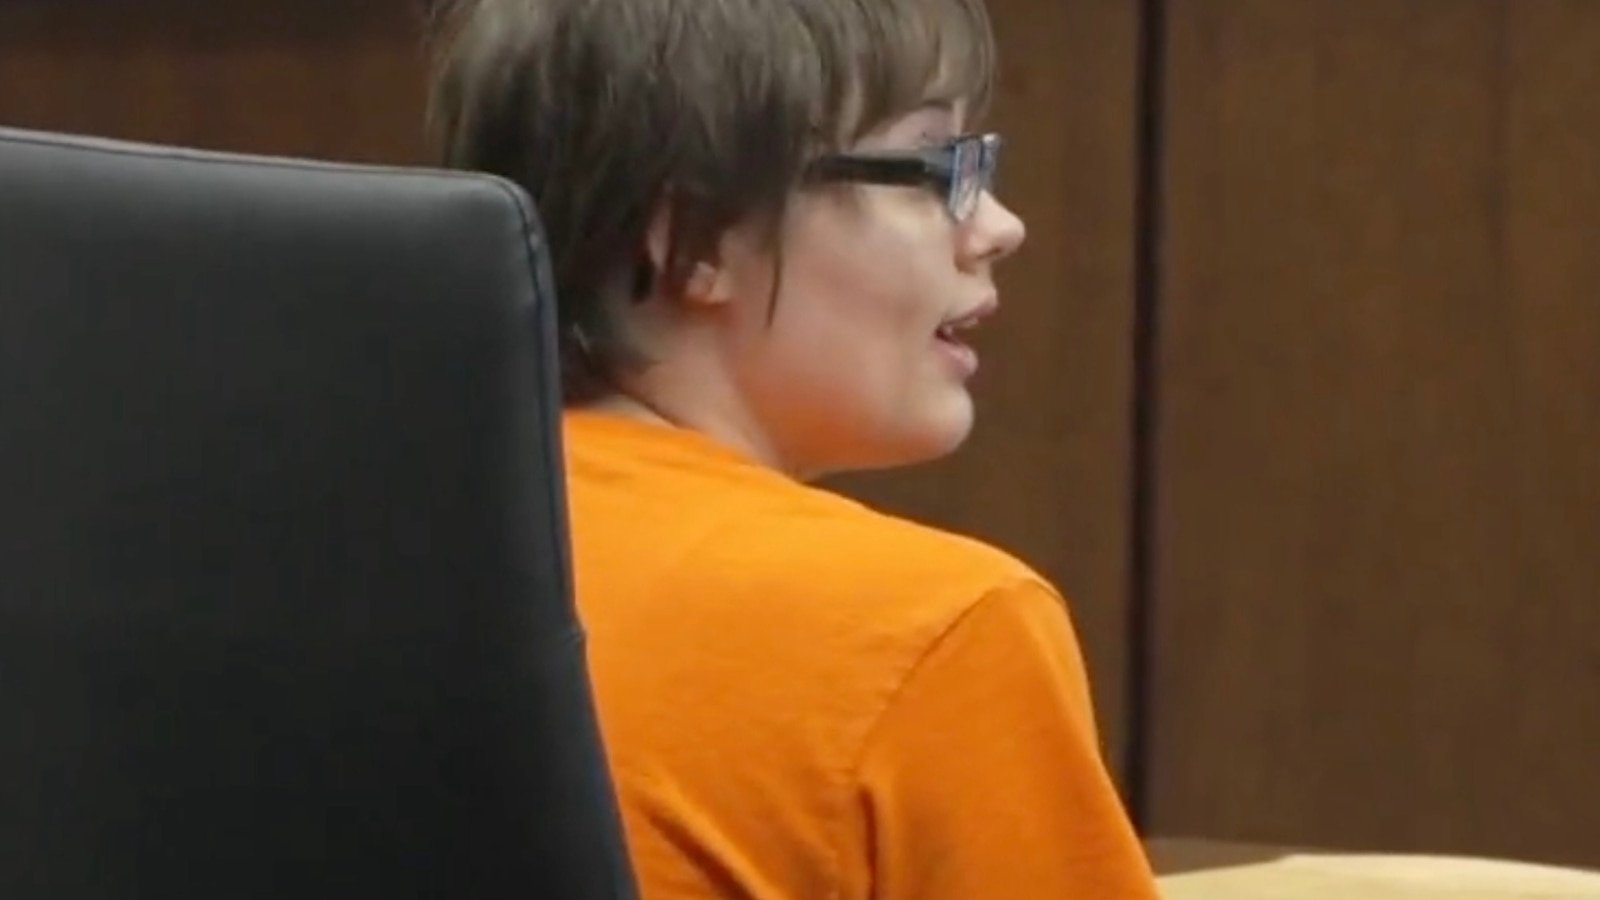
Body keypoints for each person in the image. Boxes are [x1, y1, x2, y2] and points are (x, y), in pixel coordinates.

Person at [428, 0, 1159, 896]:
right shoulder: (930, 627)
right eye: (935, 167)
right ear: (698, 238)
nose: (999, 227)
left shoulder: (352, 552)